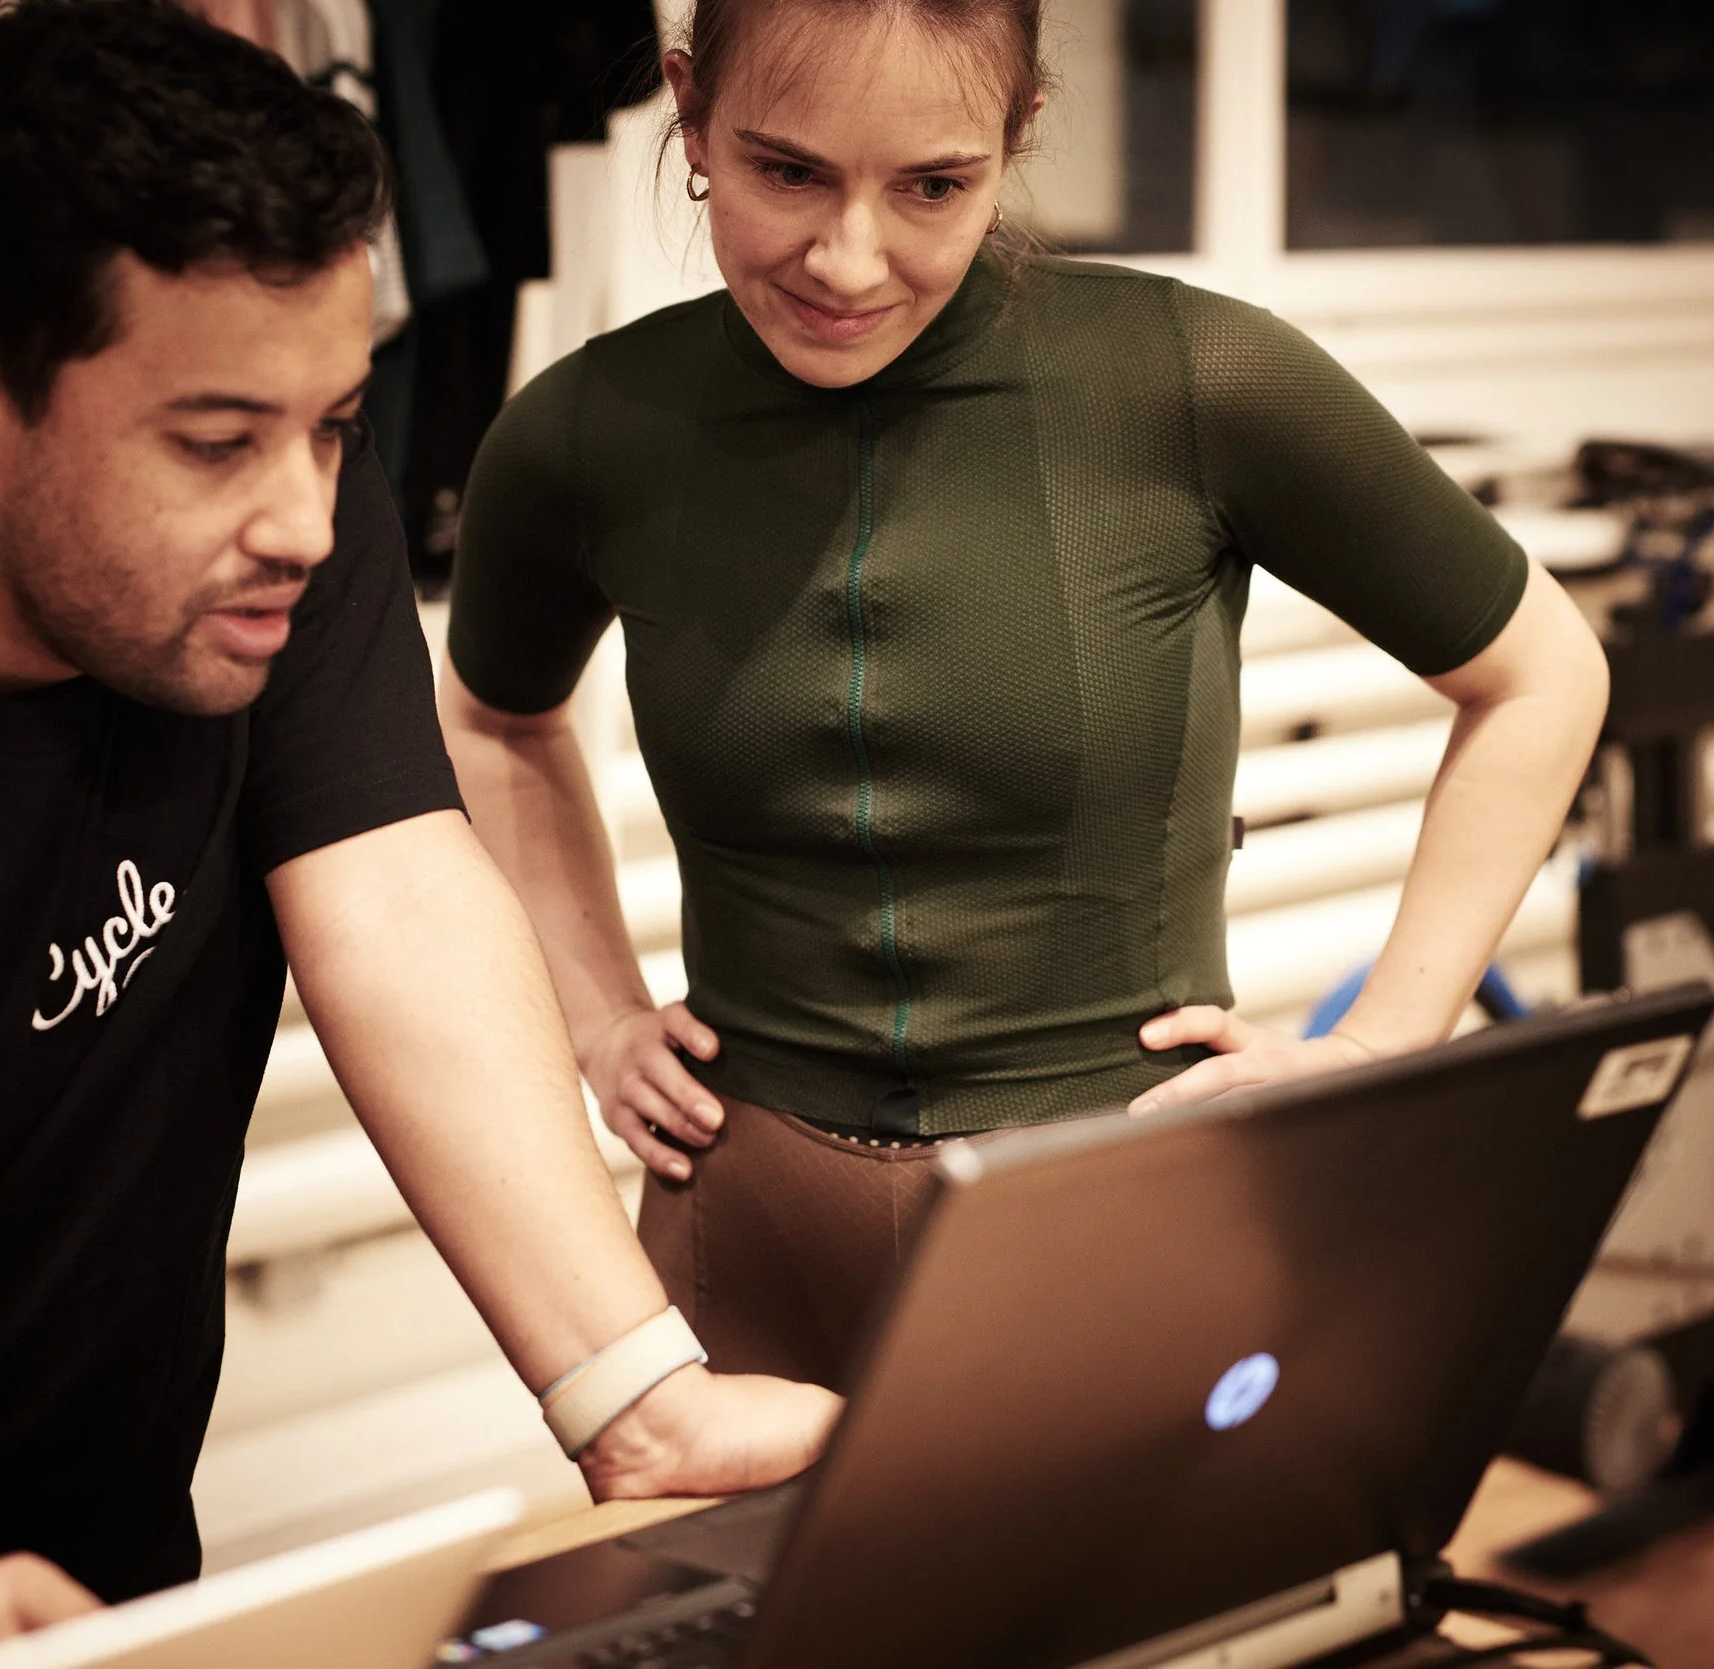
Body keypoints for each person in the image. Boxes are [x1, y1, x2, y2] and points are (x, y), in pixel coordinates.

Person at [0, 8, 837, 1667]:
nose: (306, 513)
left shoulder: (268, 547)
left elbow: (397, 890)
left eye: (337, 425)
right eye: (214, 443)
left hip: (113, 1601)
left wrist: (640, 1400)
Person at [441, 0, 1611, 1390]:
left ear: (1018, 135)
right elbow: (496, 720)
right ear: (691, 115)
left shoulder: (1193, 380)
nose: (849, 260)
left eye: (934, 186)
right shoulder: (588, 433)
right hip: (739, 1229)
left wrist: (1377, 1044)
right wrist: (593, 1012)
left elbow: (1545, 671)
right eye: (787, 171)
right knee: (752, 1613)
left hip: (1116, 1213)